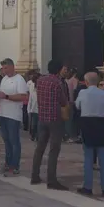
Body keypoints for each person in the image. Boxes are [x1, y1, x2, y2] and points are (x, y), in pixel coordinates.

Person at [30, 59, 69, 191]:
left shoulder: (40, 80)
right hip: (54, 119)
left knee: (40, 148)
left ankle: (34, 175)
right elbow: (63, 101)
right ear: (59, 69)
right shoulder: (58, 83)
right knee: (54, 149)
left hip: (42, 117)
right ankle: (51, 180)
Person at [76, 72, 104, 197]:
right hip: (101, 124)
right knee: (103, 158)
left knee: (88, 157)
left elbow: (77, 105)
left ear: (86, 82)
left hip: (88, 124)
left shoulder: (83, 93)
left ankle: (88, 187)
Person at [0, 58, 28, 177]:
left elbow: (23, 96)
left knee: (14, 140)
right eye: (3, 68)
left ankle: (15, 165)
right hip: (3, 113)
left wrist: (7, 96)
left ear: (12, 66)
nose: (4, 71)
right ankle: (8, 163)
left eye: (6, 68)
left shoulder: (19, 79)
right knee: (6, 140)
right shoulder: (4, 79)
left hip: (13, 115)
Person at [27, 71, 39, 141]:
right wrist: (29, 110)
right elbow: (30, 101)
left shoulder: (42, 91)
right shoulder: (33, 91)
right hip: (33, 110)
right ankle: (33, 136)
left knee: (39, 125)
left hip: (40, 110)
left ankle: (38, 136)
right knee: (33, 125)